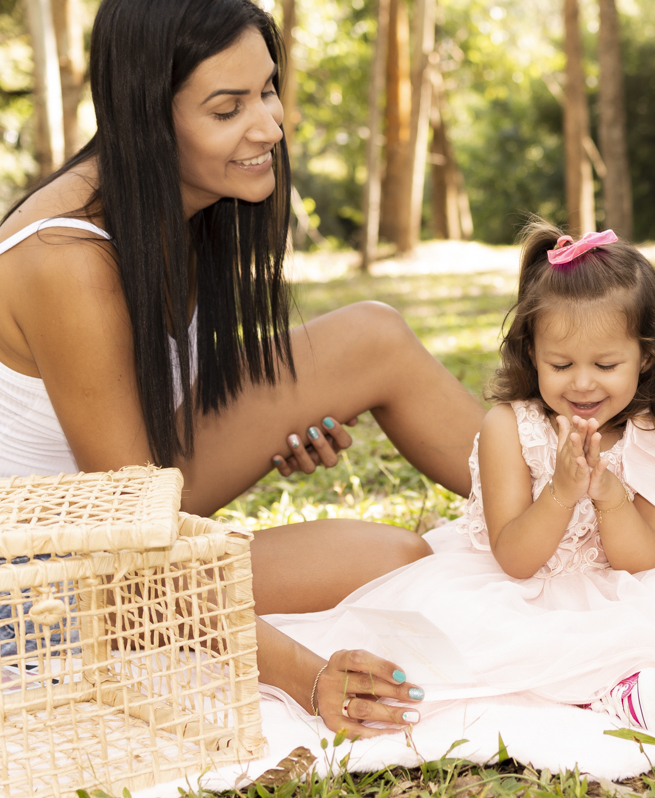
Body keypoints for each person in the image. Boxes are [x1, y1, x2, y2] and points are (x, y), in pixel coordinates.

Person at [0, 0, 485, 735]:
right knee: (390, 555)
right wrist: (308, 676)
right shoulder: (66, 260)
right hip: (39, 584)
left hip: (118, 495)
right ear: (147, 118)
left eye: (266, 89)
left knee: (371, 335)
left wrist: (271, 433)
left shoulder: (189, 203)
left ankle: (570, 514)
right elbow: (135, 542)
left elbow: (153, 426)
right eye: (227, 109)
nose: (268, 125)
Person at [269, 222, 655, 751]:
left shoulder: (646, 435)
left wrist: (609, 494)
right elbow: (515, 558)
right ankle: (636, 697)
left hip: (621, 582)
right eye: (561, 365)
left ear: (645, 358)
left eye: (606, 365)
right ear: (532, 354)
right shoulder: (510, 429)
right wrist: (560, 490)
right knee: (539, 655)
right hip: (523, 591)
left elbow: (645, 556)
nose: (583, 383)